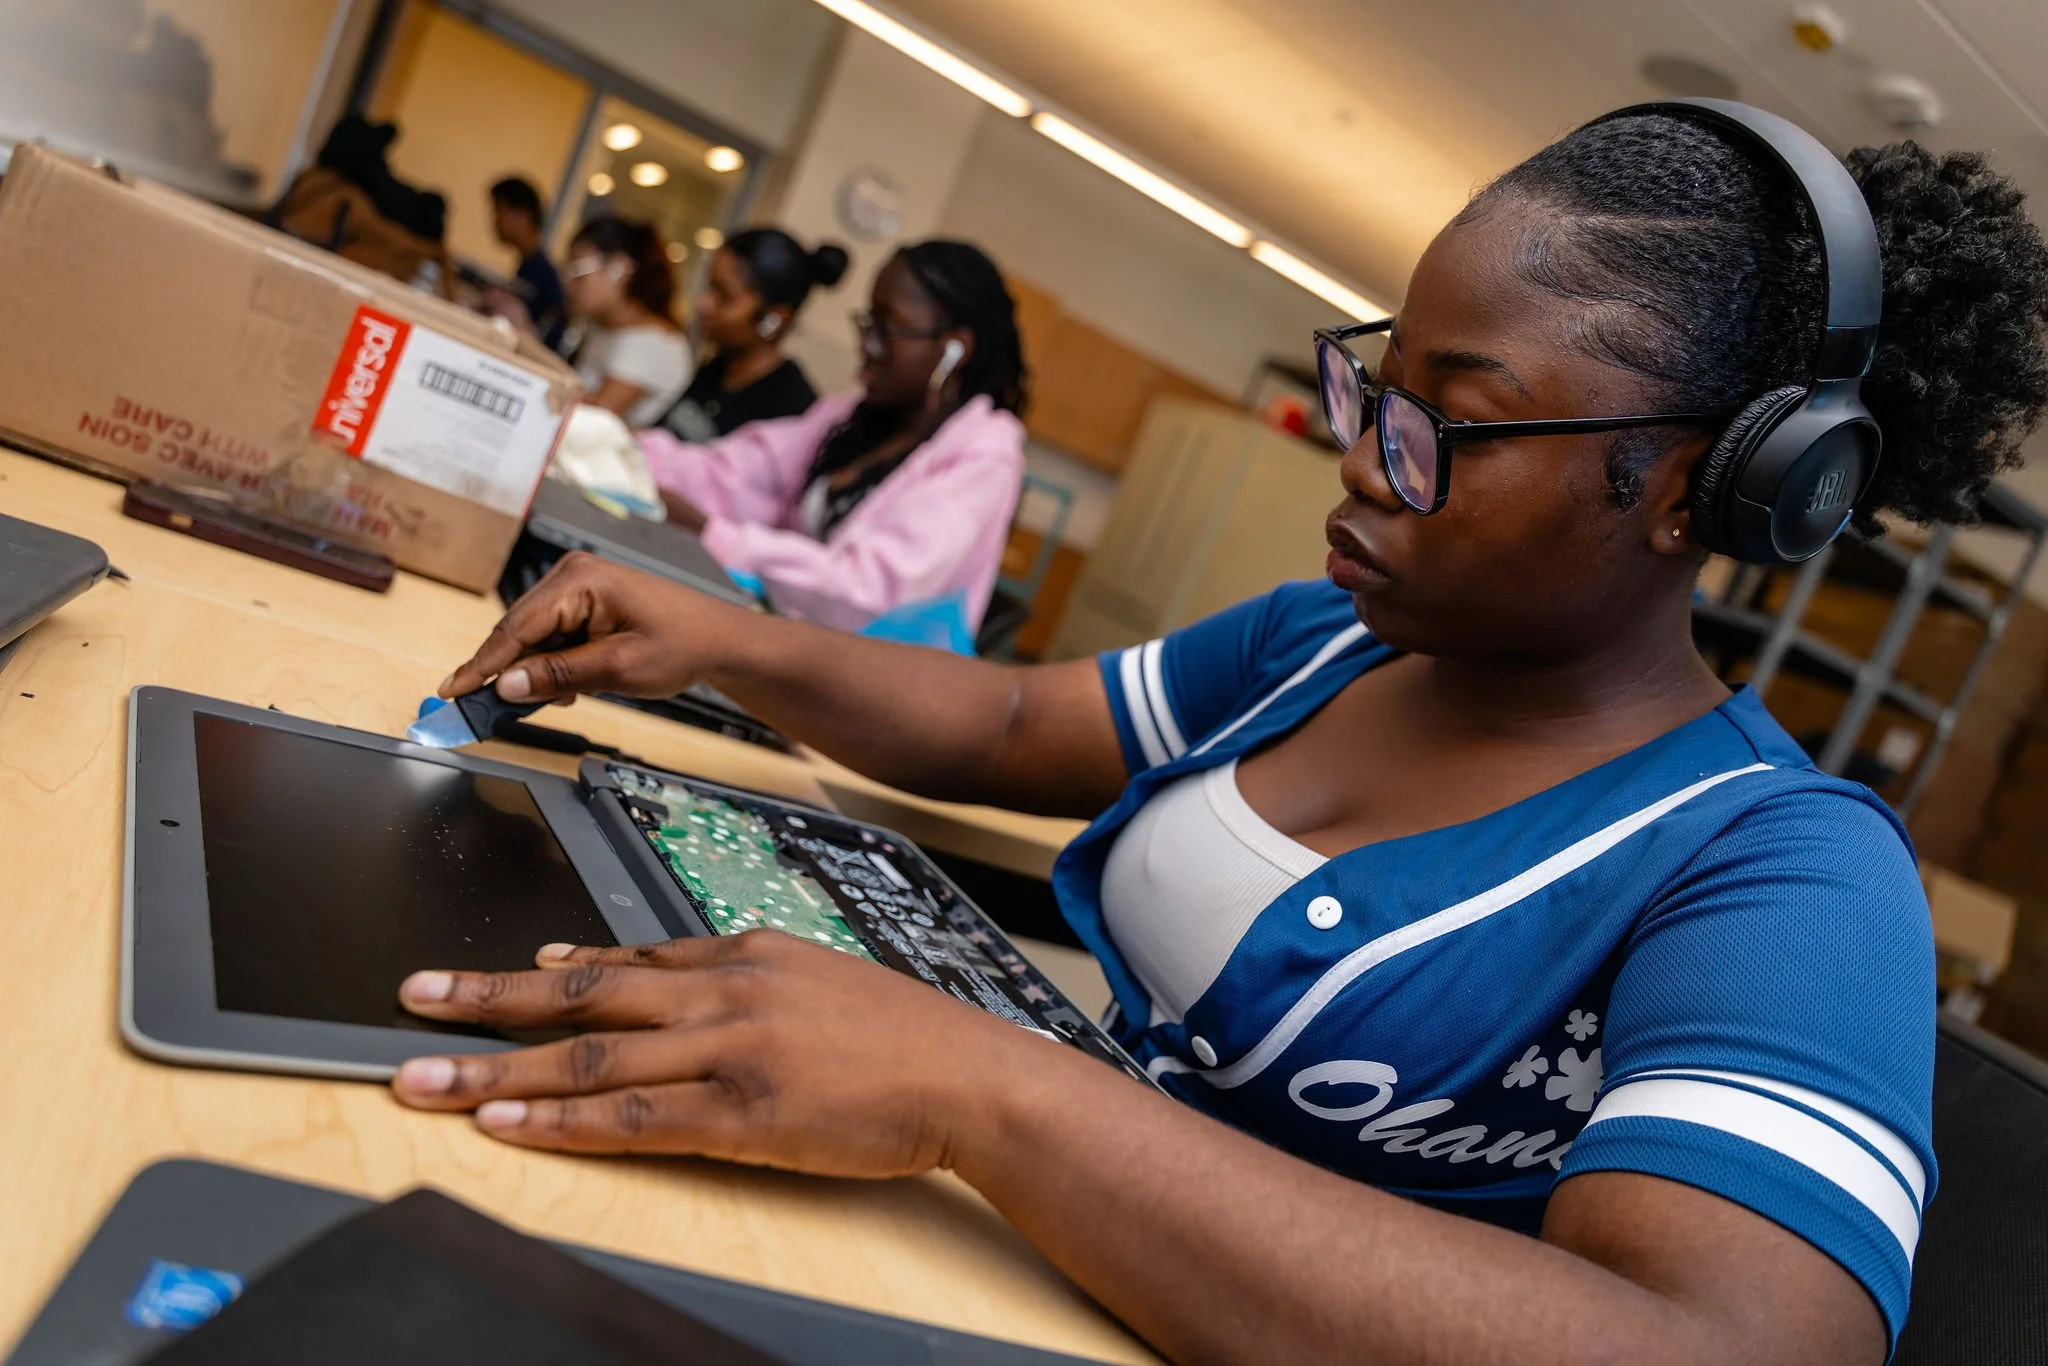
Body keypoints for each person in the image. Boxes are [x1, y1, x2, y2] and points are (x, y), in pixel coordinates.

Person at [393, 111, 2048, 1365]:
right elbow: (1017, 719)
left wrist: (991, 1092)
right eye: (1372, 387)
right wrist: (726, 638)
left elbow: (1723, 1345)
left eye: (1446, 426)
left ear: (1701, 488)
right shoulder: (1323, 642)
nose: (1362, 459)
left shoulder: (1783, 870)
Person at [637, 239, 1026, 633]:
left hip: (859, 666)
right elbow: (733, 473)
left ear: (954, 349)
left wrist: (719, 537)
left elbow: (866, 593)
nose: (866, 345)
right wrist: (627, 451)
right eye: (867, 322)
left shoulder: (983, 458)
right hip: (785, 638)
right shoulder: (849, 419)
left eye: (887, 328)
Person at [656, 229, 849, 442]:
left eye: (724, 296)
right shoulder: (718, 367)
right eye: (709, 286)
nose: (704, 304)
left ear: (773, 319)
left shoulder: (789, 411)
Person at [563, 215, 692, 428]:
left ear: (618, 269)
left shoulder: (653, 344)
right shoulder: (605, 326)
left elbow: (594, 419)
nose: (569, 285)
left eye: (577, 272)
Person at [487, 176, 567, 353]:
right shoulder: (529, 266)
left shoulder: (540, 273)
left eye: (499, 212)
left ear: (522, 216)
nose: (495, 222)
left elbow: (544, 344)